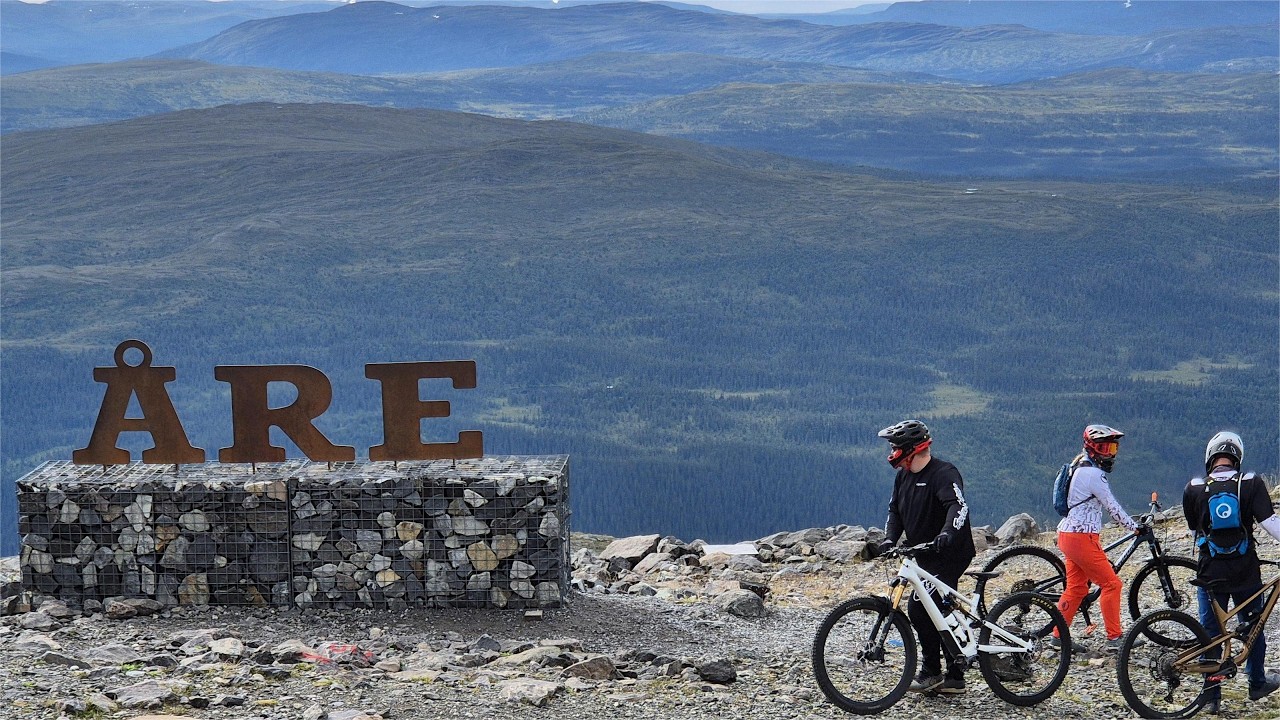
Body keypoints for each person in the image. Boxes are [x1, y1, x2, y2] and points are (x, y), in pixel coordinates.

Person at [874, 419, 975, 695]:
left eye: (896, 447)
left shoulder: (944, 473)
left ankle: (934, 671)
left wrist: (946, 534)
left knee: (922, 607)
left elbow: (958, 506)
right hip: (923, 554)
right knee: (937, 609)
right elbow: (895, 511)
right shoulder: (903, 476)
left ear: (910, 449)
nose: (892, 452)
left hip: (950, 553)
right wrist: (888, 540)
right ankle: (954, 676)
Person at [1183, 431, 1280, 714]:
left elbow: (1194, 530)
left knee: (1210, 632)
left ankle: (1211, 696)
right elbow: (1270, 524)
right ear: (1237, 457)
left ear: (1210, 458)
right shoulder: (1251, 483)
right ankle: (1257, 683)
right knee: (1254, 626)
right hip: (1245, 570)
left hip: (1210, 571)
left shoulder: (1193, 488)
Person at [1053, 424, 1144, 652]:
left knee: (1076, 588)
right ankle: (1115, 638)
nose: (1110, 453)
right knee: (1111, 584)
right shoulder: (1094, 474)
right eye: (1105, 447)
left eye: (1113, 448)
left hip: (1067, 534)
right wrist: (1135, 528)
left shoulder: (1078, 465)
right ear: (1093, 448)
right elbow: (1112, 507)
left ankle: (1058, 637)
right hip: (1081, 538)